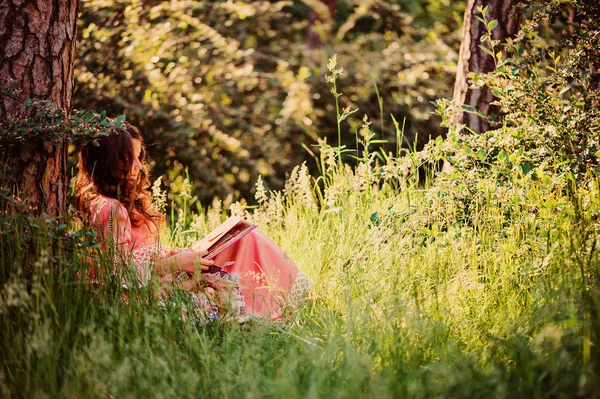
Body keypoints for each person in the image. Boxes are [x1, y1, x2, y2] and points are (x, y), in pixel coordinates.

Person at [74, 122, 311, 322]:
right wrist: (177, 262)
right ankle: (279, 308)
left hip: (159, 279)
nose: (138, 166)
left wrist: (176, 254)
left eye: (138, 158)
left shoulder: (115, 200)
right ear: (109, 161)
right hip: (141, 298)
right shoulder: (108, 208)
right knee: (243, 246)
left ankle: (286, 300)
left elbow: (138, 252)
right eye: (129, 159)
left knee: (243, 238)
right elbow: (119, 273)